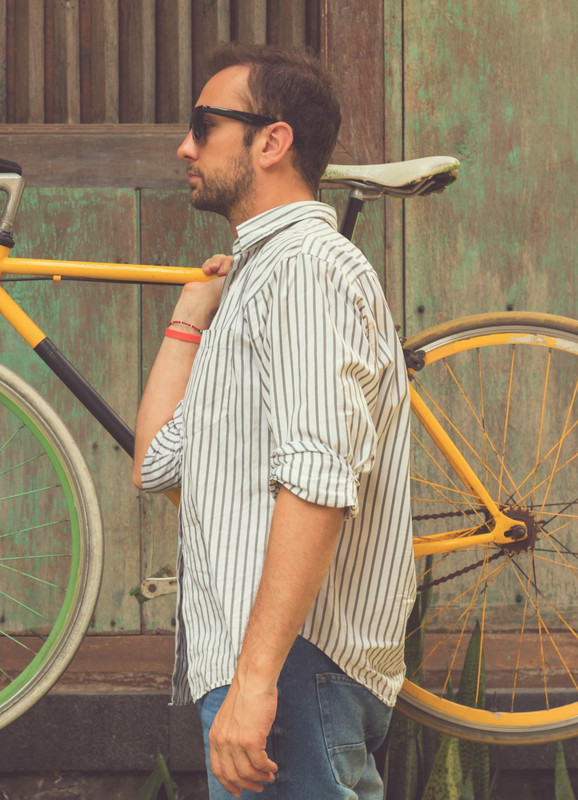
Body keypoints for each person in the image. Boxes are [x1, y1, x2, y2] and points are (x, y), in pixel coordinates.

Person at [132, 43, 416, 799]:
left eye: (203, 125)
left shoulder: (305, 270)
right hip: (270, 663)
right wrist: (189, 322)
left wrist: (257, 682)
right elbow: (157, 464)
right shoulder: (261, 277)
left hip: (293, 665)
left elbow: (319, 476)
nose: (184, 146)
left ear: (272, 140)